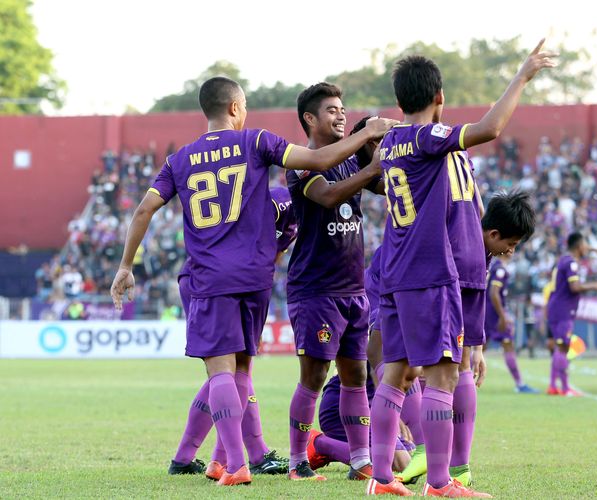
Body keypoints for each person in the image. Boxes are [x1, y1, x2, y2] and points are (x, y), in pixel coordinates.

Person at [110, 76, 395, 486]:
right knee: (241, 369)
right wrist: (367, 135)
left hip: (210, 274)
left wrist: (126, 264)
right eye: (243, 106)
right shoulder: (256, 141)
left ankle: (237, 464)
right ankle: (221, 459)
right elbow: (315, 163)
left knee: (221, 371)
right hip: (256, 274)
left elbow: (143, 211)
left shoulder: (179, 160)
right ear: (234, 107)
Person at [368, 41, 555, 497]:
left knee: (394, 372)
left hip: (397, 267)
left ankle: (381, 479)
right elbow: (490, 128)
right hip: (430, 271)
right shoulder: (428, 138)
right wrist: (523, 76)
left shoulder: (391, 144)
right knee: (444, 375)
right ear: (440, 98)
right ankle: (439, 481)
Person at [286, 83, 385, 481]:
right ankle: (298, 461)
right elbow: (327, 197)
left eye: (343, 109)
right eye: (331, 110)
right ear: (310, 118)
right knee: (313, 376)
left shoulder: (349, 159)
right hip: (316, 289)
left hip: (352, 287)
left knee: (355, 375)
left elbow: (380, 184)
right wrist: (370, 158)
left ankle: (360, 460)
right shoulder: (303, 162)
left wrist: (380, 147)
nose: (341, 115)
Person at [169, 186, 297, 478]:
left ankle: (190, 457)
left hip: (238, 281)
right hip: (216, 282)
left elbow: (275, 255)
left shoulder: (299, 209)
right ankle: (249, 455)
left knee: (228, 371)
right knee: (232, 368)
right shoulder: (282, 201)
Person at [545, 233, 597, 397]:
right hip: (563, 309)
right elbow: (575, 287)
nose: (587, 248)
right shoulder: (571, 262)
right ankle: (565, 388)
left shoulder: (564, 261)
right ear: (579, 246)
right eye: (586, 244)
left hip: (559, 308)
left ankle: (553, 385)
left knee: (561, 346)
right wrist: (596, 285)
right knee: (563, 347)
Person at [484, 255, 539, 394]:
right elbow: (494, 293)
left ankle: (460, 380)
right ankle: (520, 384)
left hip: (488, 312)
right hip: (495, 314)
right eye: (510, 245)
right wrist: (503, 316)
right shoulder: (500, 269)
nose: (512, 250)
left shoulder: (495, 266)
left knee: (481, 347)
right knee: (507, 346)